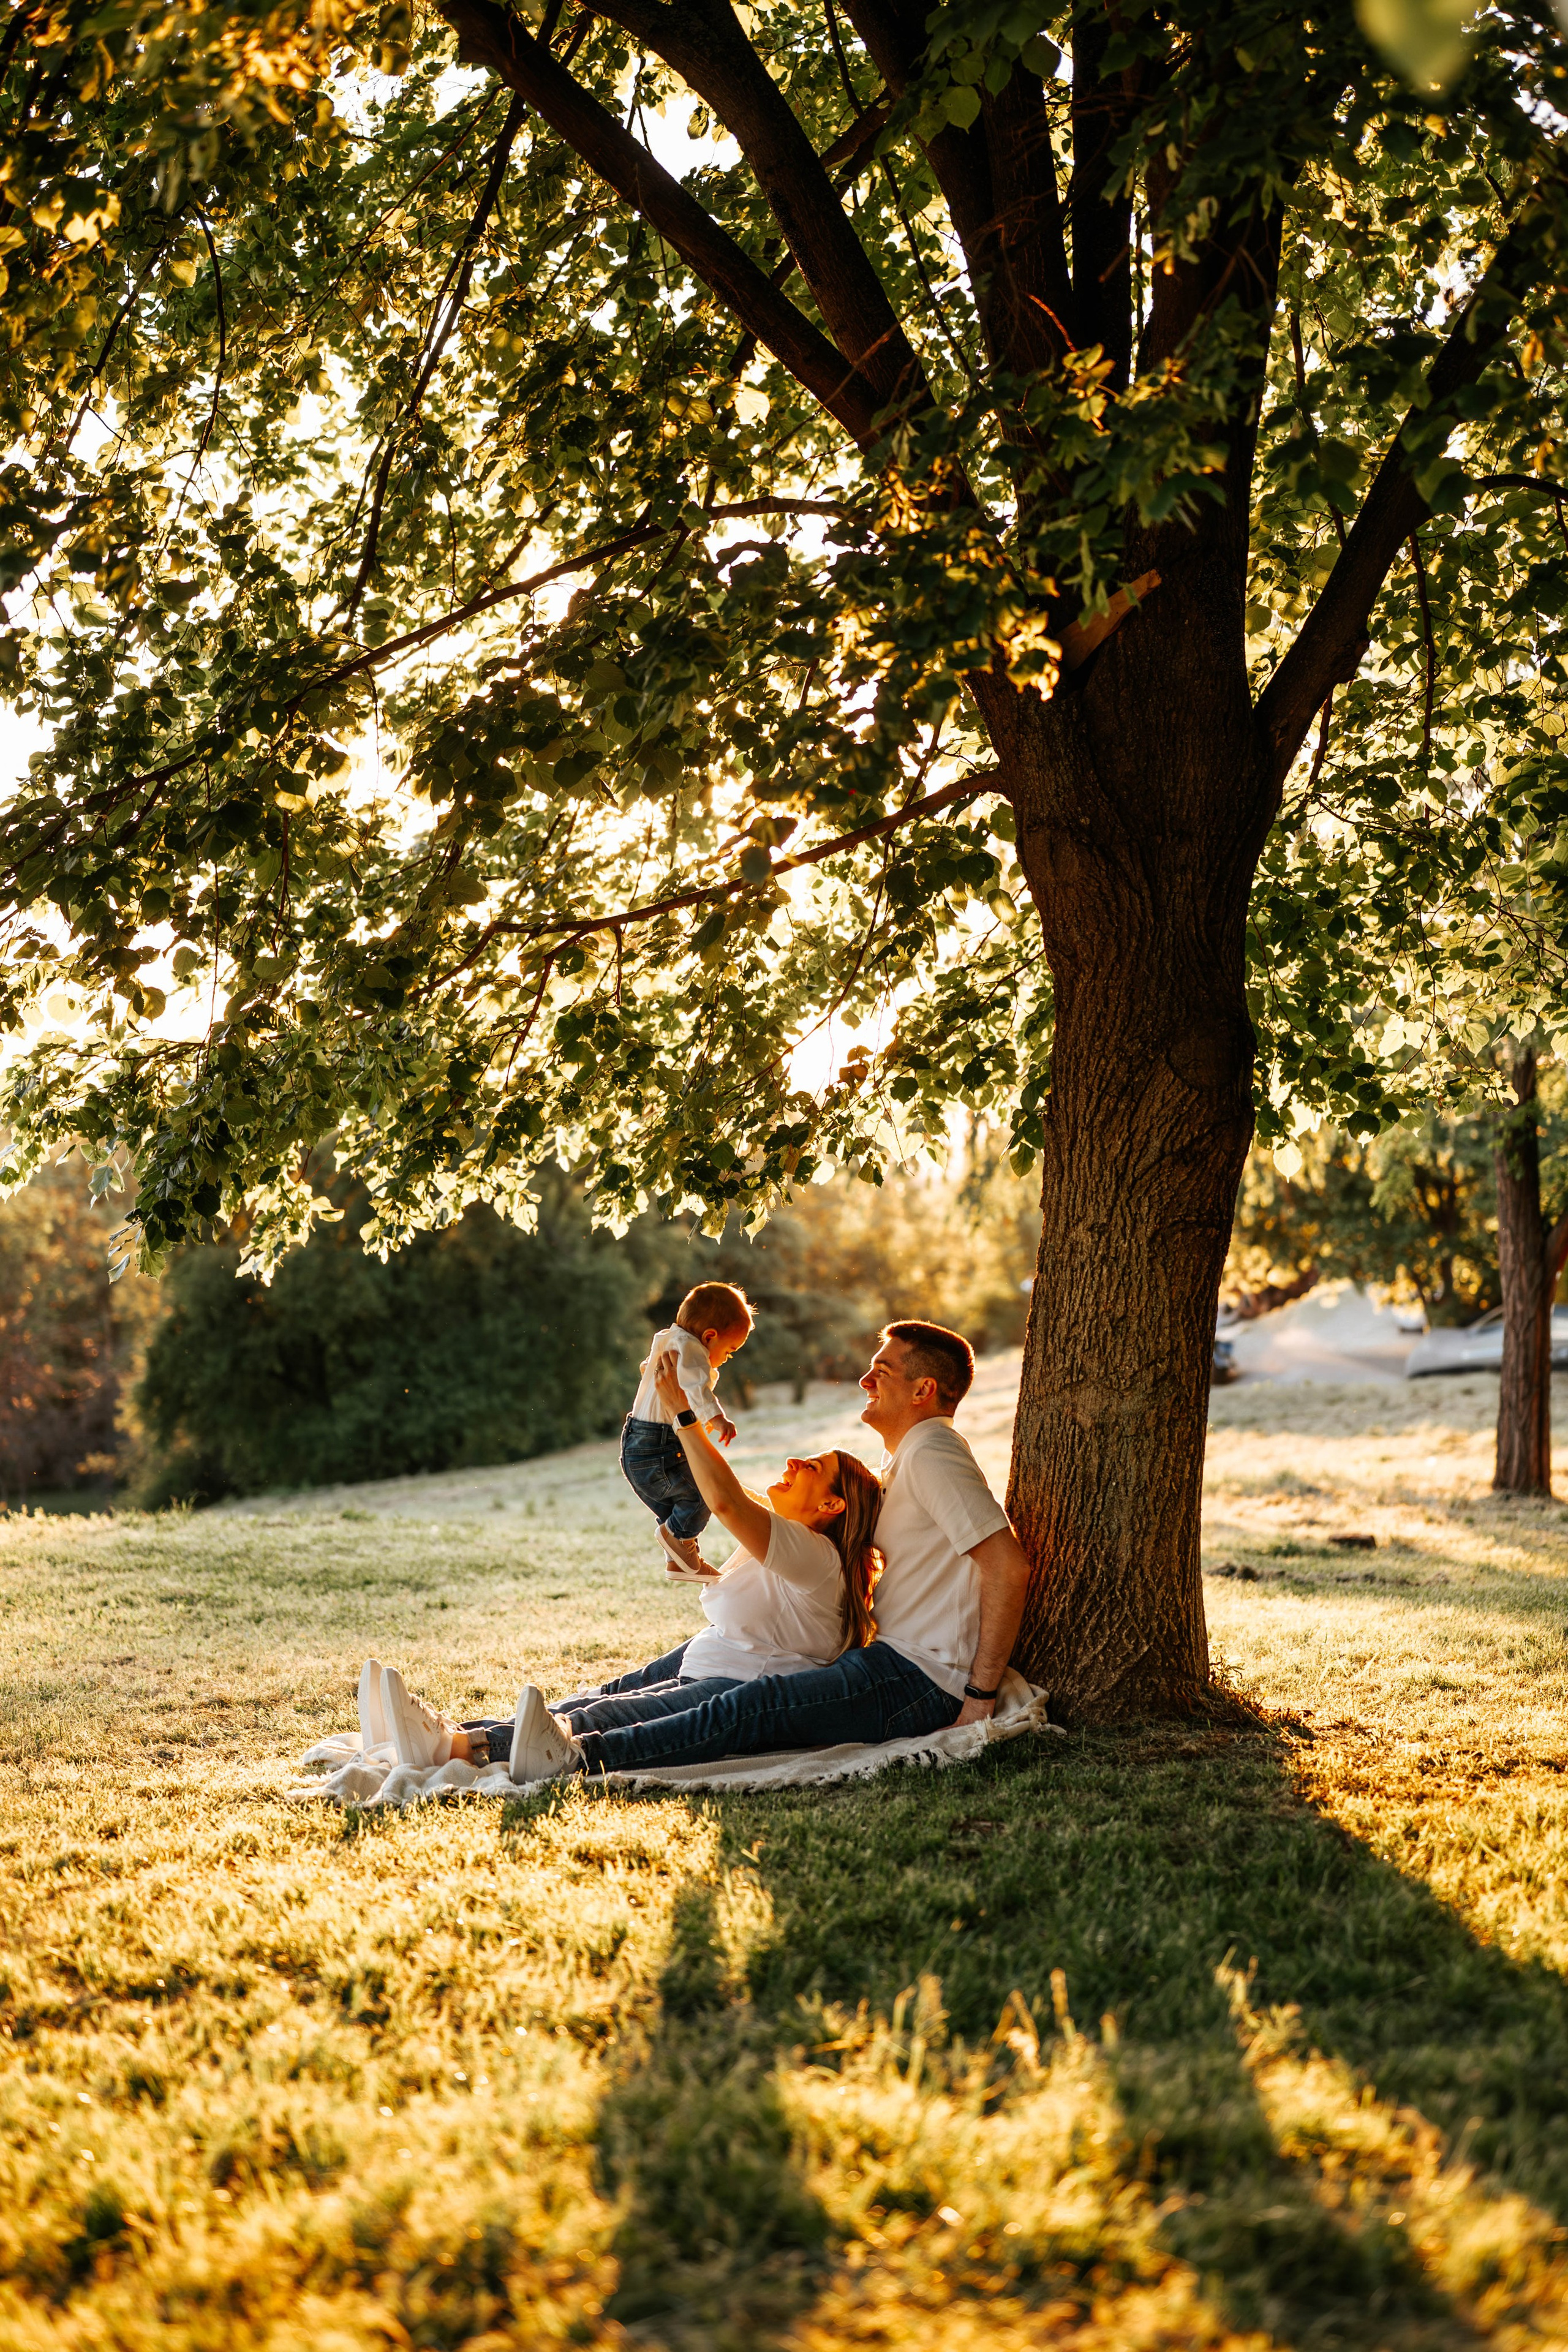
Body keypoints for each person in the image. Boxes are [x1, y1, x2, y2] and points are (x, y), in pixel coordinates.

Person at [505, 1318, 1031, 1782]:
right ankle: (485, 1742)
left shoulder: (934, 1451)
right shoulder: (908, 1459)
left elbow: (1007, 1567)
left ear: (924, 1390)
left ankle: (576, 1760)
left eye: (883, 1371)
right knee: (721, 1698)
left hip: (922, 1678)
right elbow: (754, 1509)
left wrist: (979, 1698)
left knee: (760, 1706)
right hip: (894, 1662)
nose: (864, 1381)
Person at [364, 1359, 883, 1776]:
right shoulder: (797, 1542)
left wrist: (685, 1415)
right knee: (595, 1701)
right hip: (716, 1664)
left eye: (811, 1468)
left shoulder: (815, 1556)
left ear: (832, 1508)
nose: (794, 1463)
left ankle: (453, 1747)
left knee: (598, 1718)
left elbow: (726, 1502)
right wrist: (661, 1415)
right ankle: (443, 1735)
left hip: (732, 1683)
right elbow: (720, 1488)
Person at [620, 1281, 752, 1575]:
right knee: (703, 1495)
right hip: (659, 1446)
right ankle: (678, 1540)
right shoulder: (692, 1349)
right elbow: (696, 1387)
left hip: (637, 1444)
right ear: (710, 1336)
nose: (727, 1358)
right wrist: (716, 1418)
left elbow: (646, 1369)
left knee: (678, 1505)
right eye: (730, 1351)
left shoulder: (667, 1339)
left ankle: (680, 1559)